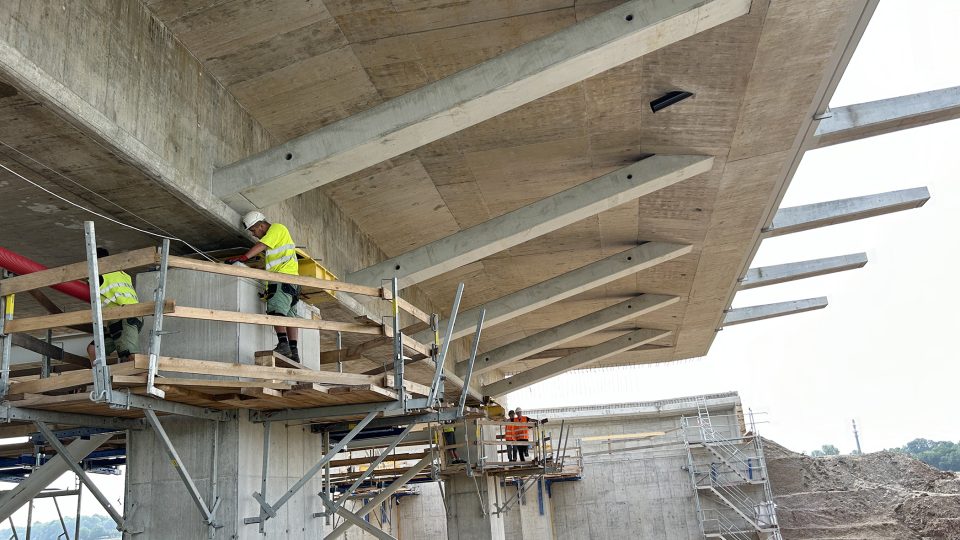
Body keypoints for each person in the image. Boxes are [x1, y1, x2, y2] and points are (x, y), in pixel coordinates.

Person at [226, 211, 302, 362]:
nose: (254, 235)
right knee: (290, 317)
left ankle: (283, 344)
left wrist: (243, 258)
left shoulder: (276, 229)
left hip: (281, 279)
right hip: (293, 282)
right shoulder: (278, 238)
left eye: (253, 230)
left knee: (276, 311)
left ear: (261, 225)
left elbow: (261, 244)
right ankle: (294, 352)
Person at [87, 247, 143, 365]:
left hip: (125, 317)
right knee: (93, 350)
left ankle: (147, 379)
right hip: (121, 320)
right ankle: (100, 379)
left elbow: (89, 283)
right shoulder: (122, 274)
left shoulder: (100, 275)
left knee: (129, 355)